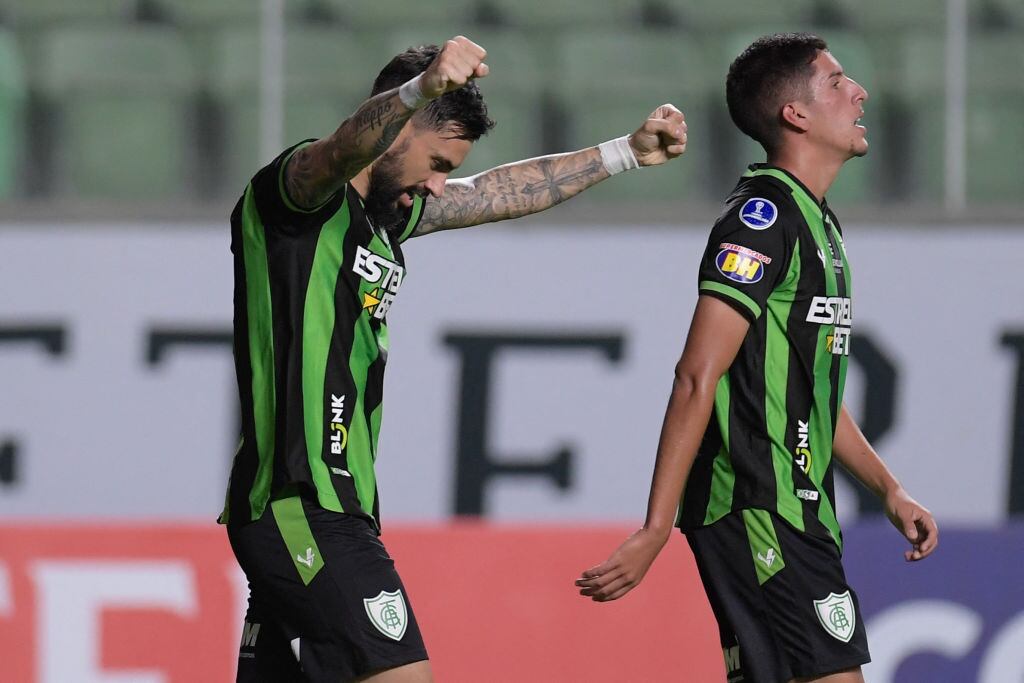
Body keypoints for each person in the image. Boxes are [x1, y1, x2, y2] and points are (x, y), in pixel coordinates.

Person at [220, 35, 687, 682]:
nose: (439, 185)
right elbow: (340, 149)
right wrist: (417, 91)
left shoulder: (388, 215)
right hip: (300, 500)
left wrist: (622, 154)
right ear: (397, 127)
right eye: (436, 161)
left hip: (338, 507)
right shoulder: (298, 200)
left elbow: (498, 190)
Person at [575, 32, 938, 683]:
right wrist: (655, 526)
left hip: (801, 510)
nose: (860, 92)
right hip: (754, 506)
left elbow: (811, 393)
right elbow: (696, 374)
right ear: (794, 115)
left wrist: (888, 487)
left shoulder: (819, 224)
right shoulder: (761, 220)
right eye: (836, 82)